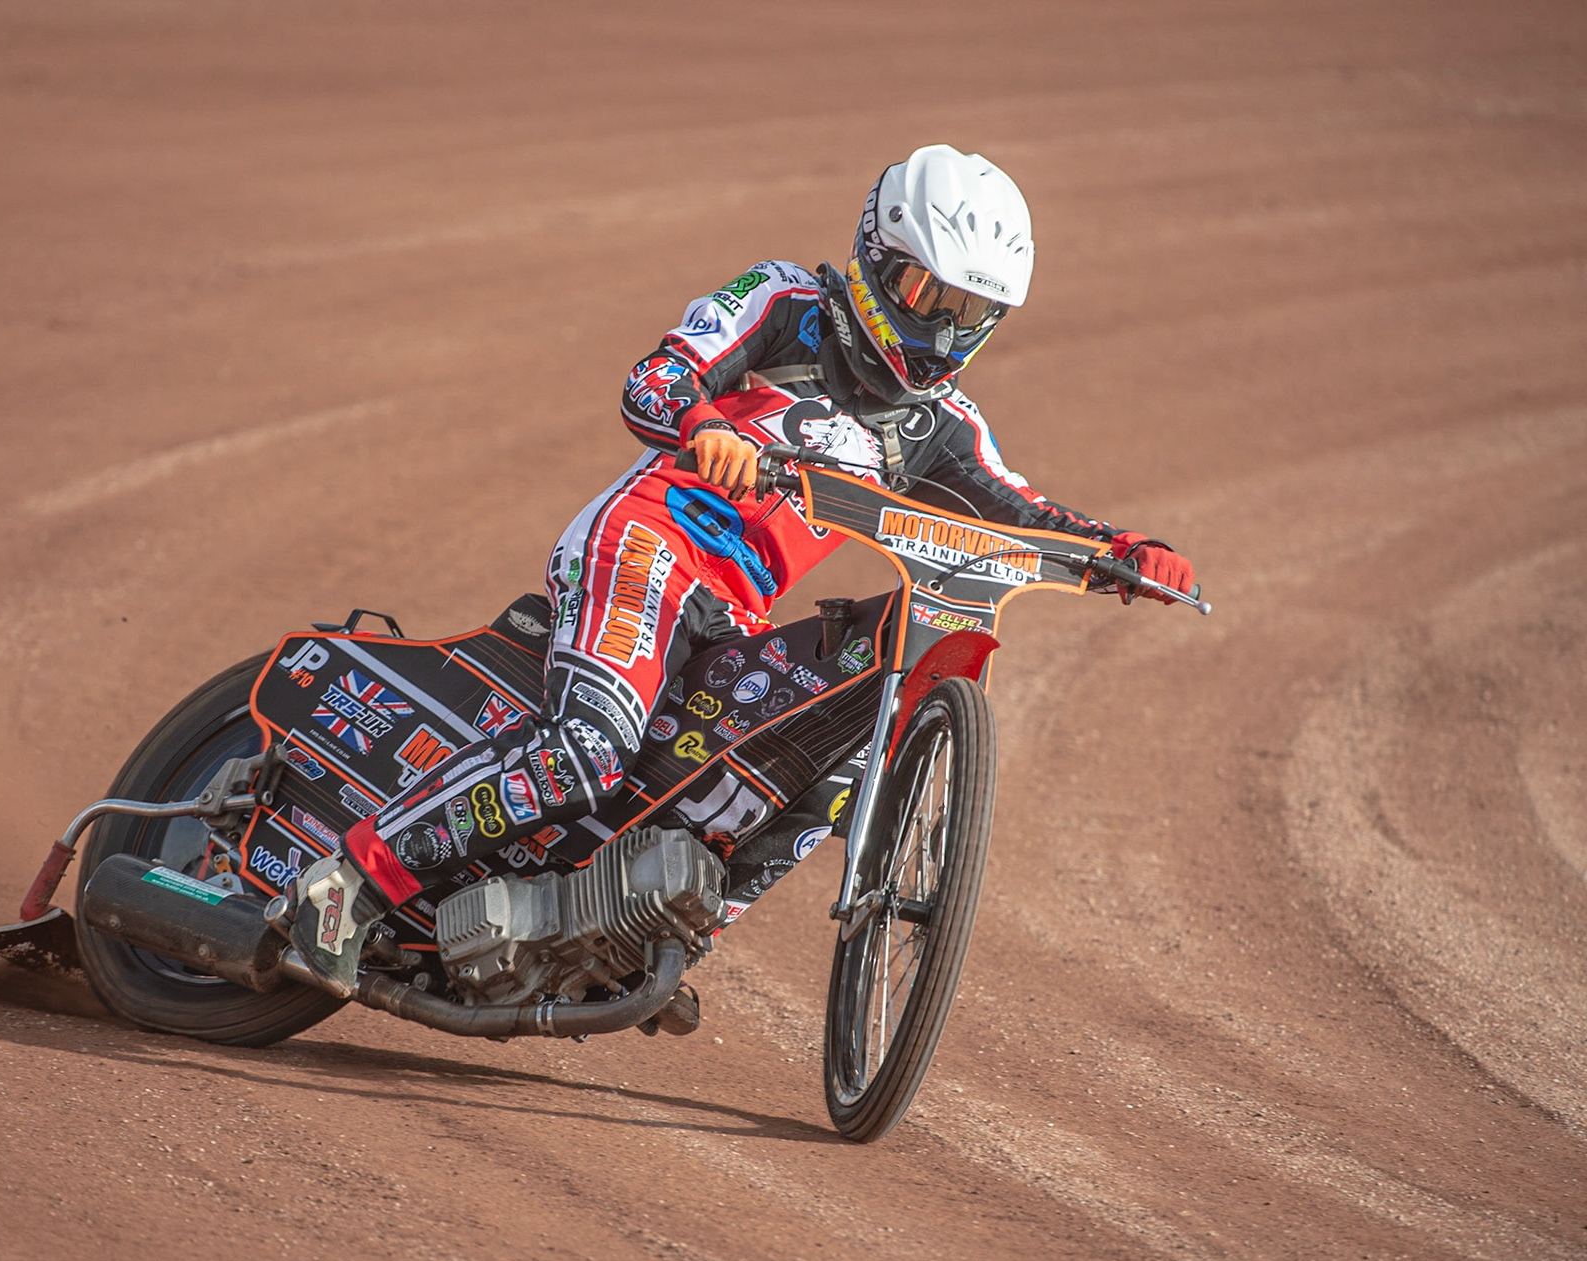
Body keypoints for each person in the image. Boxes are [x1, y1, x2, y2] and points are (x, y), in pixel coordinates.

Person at [284, 144, 1195, 998]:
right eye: (930, 296)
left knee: (820, 761)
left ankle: (650, 934)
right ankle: (352, 883)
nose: (947, 333)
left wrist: (1120, 553)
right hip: (648, 547)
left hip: (729, 609)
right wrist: (704, 425)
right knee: (588, 753)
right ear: (878, 258)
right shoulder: (786, 300)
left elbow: (1023, 511)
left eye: (973, 314)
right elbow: (656, 377)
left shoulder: (941, 425)